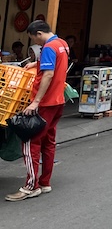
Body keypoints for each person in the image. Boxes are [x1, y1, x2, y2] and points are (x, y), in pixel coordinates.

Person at [6, 20, 69, 202]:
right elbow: (55, 65)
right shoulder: (62, 44)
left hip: (45, 103)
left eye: (34, 38)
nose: (35, 42)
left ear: (39, 33)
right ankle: (44, 182)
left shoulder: (48, 47)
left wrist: (35, 102)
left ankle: (30, 187)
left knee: (30, 142)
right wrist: (36, 64)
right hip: (58, 101)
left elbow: (48, 74)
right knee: (48, 142)